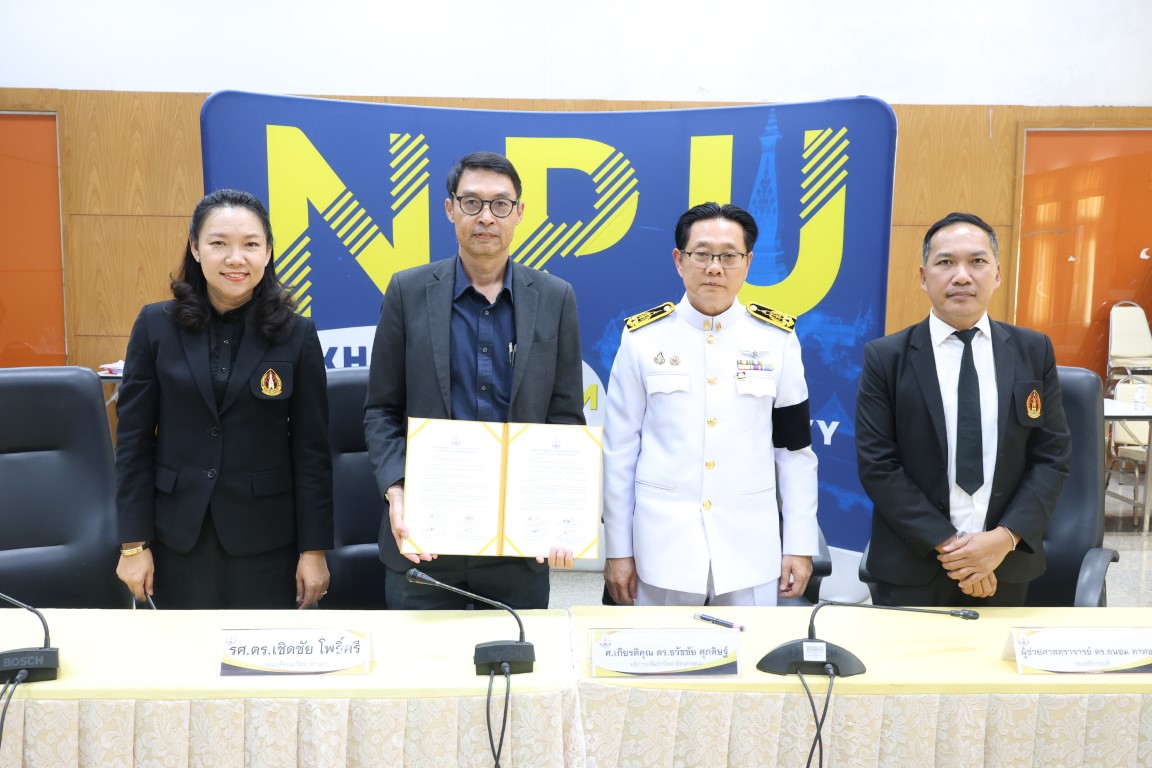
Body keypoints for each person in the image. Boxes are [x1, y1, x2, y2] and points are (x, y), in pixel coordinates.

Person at [364, 151, 584, 610]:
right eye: (472, 203)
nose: (486, 217)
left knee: (517, 657)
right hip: (423, 539)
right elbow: (381, 410)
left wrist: (559, 512)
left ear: (519, 213)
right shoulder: (407, 291)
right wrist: (396, 488)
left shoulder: (555, 298)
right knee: (419, 659)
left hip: (518, 547)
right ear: (450, 209)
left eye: (500, 204)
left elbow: (565, 416)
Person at [115, 189, 333, 609]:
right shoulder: (155, 326)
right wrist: (132, 544)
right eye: (219, 243)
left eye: (250, 244)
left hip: (267, 541)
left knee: (262, 650)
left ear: (268, 252)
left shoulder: (297, 334)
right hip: (176, 538)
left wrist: (314, 551)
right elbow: (132, 444)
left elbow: (312, 453)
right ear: (196, 248)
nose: (236, 259)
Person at [602, 202, 819, 607]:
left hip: (749, 551)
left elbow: (794, 452)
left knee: (753, 649)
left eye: (729, 256)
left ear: (748, 263)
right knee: (656, 650)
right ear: (679, 260)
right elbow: (619, 452)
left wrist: (799, 544)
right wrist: (617, 551)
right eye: (701, 254)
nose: (714, 268)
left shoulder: (777, 340)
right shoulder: (642, 340)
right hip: (661, 551)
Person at [855, 211, 1071, 607]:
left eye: (977, 261)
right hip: (912, 565)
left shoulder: (1033, 351)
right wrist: (956, 551)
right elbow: (878, 465)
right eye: (945, 262)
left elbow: (1051, 457)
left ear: (997, 274)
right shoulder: (886, 358)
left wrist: (1001, 541)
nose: (962, 276)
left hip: (1005, 564)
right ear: (924, 277)